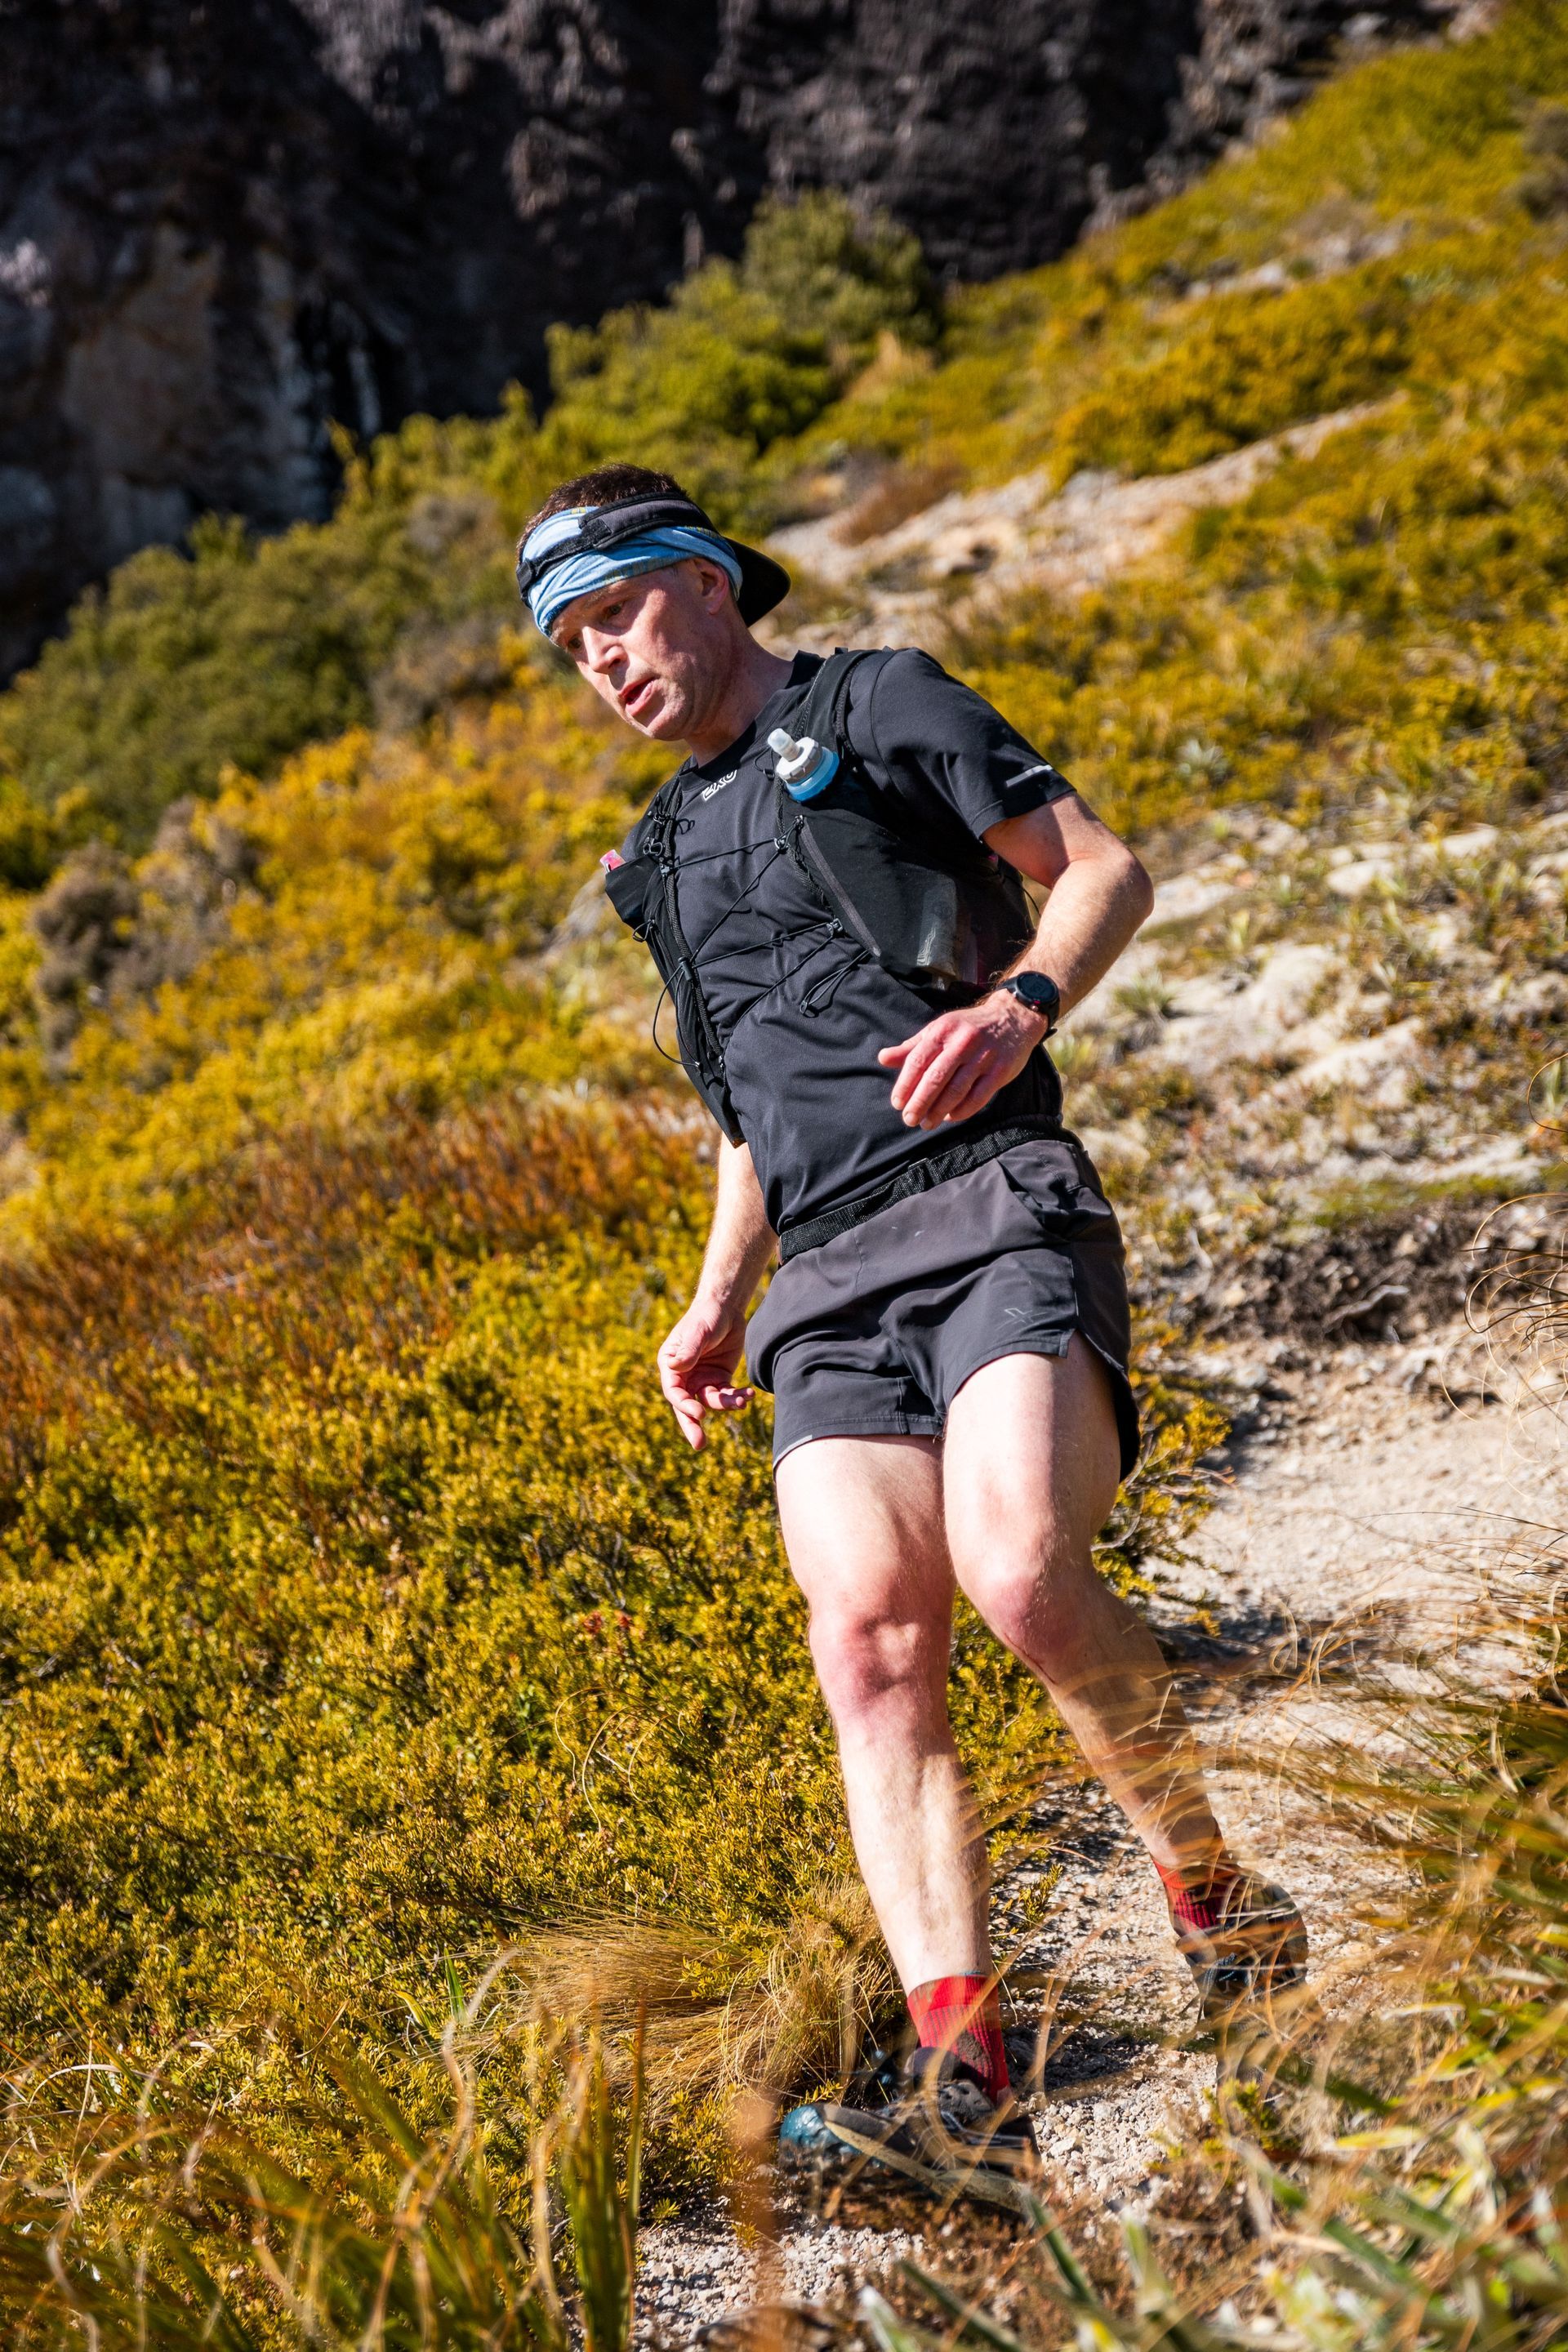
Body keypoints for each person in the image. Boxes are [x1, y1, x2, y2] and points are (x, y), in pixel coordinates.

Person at [516, 462, 1306, 2197]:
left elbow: (1100, 870)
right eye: (573, 647)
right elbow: (747, 1121)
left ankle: (1223, 1912)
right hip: (828, 1289)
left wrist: (1022, 1008)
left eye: (622, 614)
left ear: (712, 584)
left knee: (1023, 1572)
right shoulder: (656, 862)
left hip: (996, 1202)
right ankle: (970, 2097)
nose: (607, 662)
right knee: (868, 1651)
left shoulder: (883, 702)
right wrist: (717, 1299)